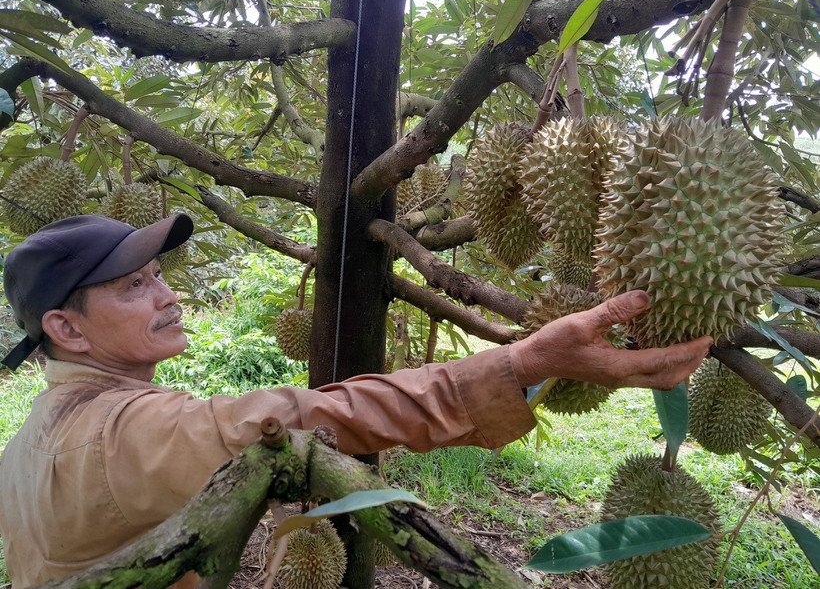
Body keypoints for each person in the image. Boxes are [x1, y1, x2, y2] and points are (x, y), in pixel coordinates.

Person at [0, 213, 713, 588]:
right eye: (134, 286)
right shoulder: (124, 432)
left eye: (160, 274)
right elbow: (308, 418)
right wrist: (525, 360)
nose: (169, 294)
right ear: (66, 328)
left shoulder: (26, 439)